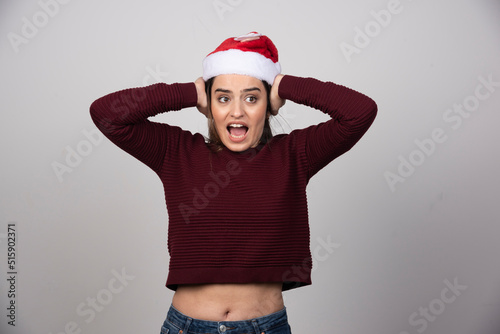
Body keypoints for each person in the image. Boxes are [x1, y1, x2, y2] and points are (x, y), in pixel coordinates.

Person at [90, 31, 377, 334]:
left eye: (251, 98)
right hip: (186, 327)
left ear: (269, 105)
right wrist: (189, 92)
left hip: (265, 328)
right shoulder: (176, 152)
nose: (237, 111)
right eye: (223, 98)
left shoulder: (293, 155)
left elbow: (360, 113)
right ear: (209, 105)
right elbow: (107, 114)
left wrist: (285, 85)